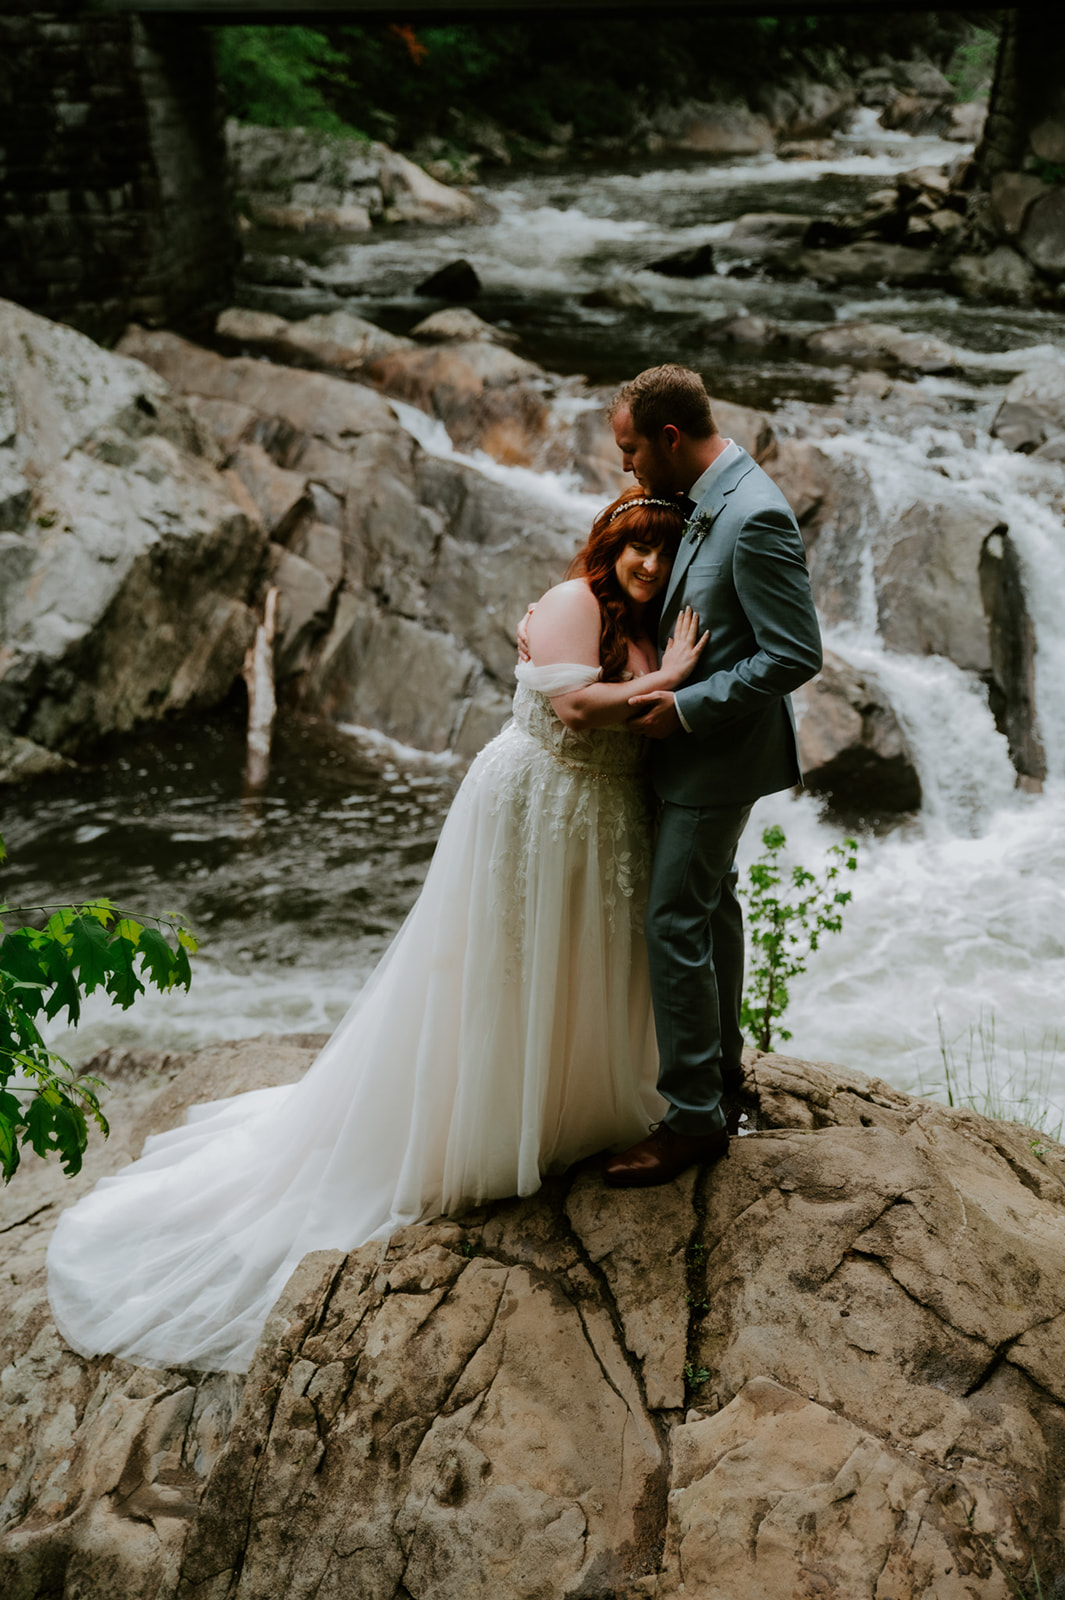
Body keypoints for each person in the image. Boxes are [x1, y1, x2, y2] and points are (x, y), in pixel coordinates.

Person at [46, 489, 705, 1375]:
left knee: (578, 961)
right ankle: (480, 1118)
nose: (651, 565)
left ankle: (559, 1110)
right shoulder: (570, 604)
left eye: (664, 552)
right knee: (500, 966)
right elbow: (581, 712)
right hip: (533, 806)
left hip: (600, 818)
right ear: (608, 546)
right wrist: (673, 676)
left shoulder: (654, 623)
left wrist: (671, 669)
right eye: (638, 548)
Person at [603, 365, 822, 1186]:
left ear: (667, 438)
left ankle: (693, 1120)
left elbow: (794, 653)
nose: (627, 469)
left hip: (714, 757)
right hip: (695, 752)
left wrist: (689, 710)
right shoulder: (709, 492)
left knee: (671, 922)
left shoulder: (755, 513)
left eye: (630, 452)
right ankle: (722, 1074)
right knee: (711, 906)